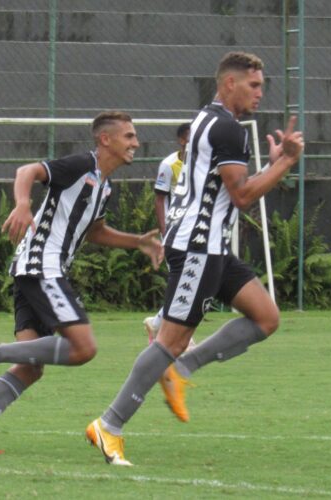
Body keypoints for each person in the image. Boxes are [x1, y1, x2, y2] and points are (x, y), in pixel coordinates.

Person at [85, 51, 304, 466]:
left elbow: (227, 187)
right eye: (254, 85)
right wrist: (287, 163)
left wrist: (273, 165)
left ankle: (181, 370)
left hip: (211, 245)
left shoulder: (208, 118)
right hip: (198, 246)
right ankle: (108, 426)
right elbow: (241, 196)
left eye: (262, 84)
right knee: (169, 340)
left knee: (266, 317)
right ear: (229, 84)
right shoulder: (227, 128)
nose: (261, 92)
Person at [0, 111, 164, 454]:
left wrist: (138, 242)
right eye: (129, 136)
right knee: (84, 348)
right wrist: (22, 203)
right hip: (42, 267)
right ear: (106, 139)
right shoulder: (80, 165)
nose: (136, 143)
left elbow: (95, 231)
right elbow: (26, 171)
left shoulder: (104, 186)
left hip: (37, 269)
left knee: (30, 368)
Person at [143, 122, 198, 423]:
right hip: (178, 234)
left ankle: (159, 323)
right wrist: (165, 232)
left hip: (197, 233)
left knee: (191, 284)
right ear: (181, 140)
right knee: (189, 283)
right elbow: (160, 199)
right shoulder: (169, 165)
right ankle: (178, 338)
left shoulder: (204, 162)